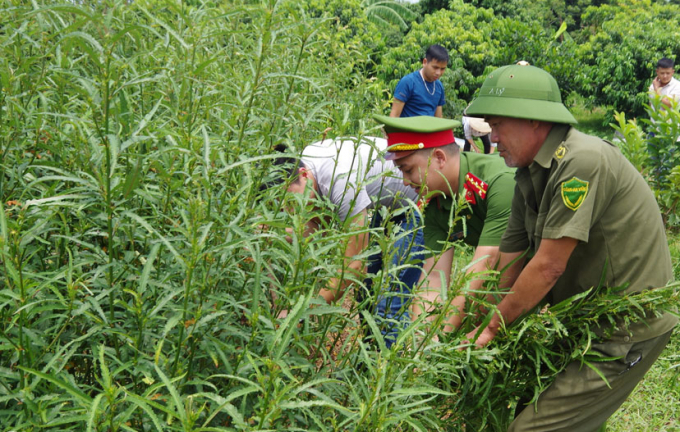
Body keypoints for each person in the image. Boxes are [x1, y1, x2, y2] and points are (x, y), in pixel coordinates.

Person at [464, 62, 677, 431]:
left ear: (534, 120)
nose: (491, 137)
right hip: (582, 322)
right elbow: (508, 264)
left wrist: (489, 330)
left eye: (497, 124)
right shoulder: (527, 174)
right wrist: (468, 322)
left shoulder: (582, 161)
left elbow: (548, 266)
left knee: (530, 428)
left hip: (625, 327)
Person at [268, 136, 424, 347]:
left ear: (303, 175)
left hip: (419, 198)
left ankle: (386, 368)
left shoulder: (338, 179)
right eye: (283, 205)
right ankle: (370, 358)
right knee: (366, 290)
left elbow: (354, 266)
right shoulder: (306, 169)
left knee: (388, 299)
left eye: (291, 201)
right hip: (383, 202)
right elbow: (312, 236)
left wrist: (300, 314)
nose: (291, 210)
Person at [373, 114, 516, 332]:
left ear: (439, 157)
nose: (404, 181)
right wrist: (420, 343)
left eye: (408, 170)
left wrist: (442, 335)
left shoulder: (498, 181)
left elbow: (484, 266)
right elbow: (432, 281)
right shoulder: (435, 203)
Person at [389, 45, 448, 118]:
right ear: (425, 62)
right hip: (408, 129)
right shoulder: (408, 82)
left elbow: (438, 119)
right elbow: (394, 116)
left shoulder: (439, 86)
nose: (438, 72)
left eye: (442, 69)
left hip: (430, 129)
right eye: (435, 67)